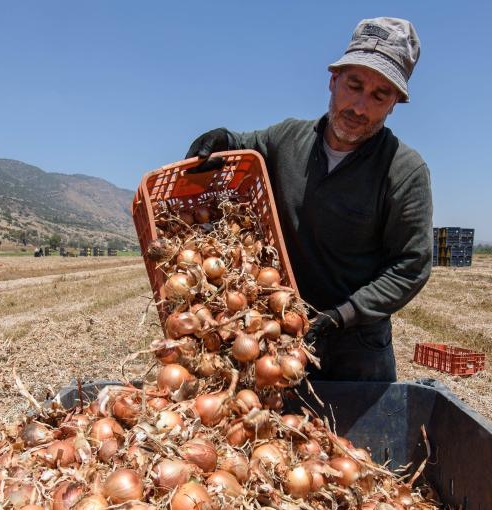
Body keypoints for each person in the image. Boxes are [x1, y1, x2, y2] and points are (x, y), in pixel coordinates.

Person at [184, 17, 432, 382]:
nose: (360, 106)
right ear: (333, 79)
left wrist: (343, 315)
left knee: (357, 421)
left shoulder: (404, 170)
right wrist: (222, 138)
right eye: (354, 85)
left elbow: (411, 266)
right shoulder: (288, 139)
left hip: (357, 345)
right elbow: (246, 144)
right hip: (279, 330)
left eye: (379, 96)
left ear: (394, 103)